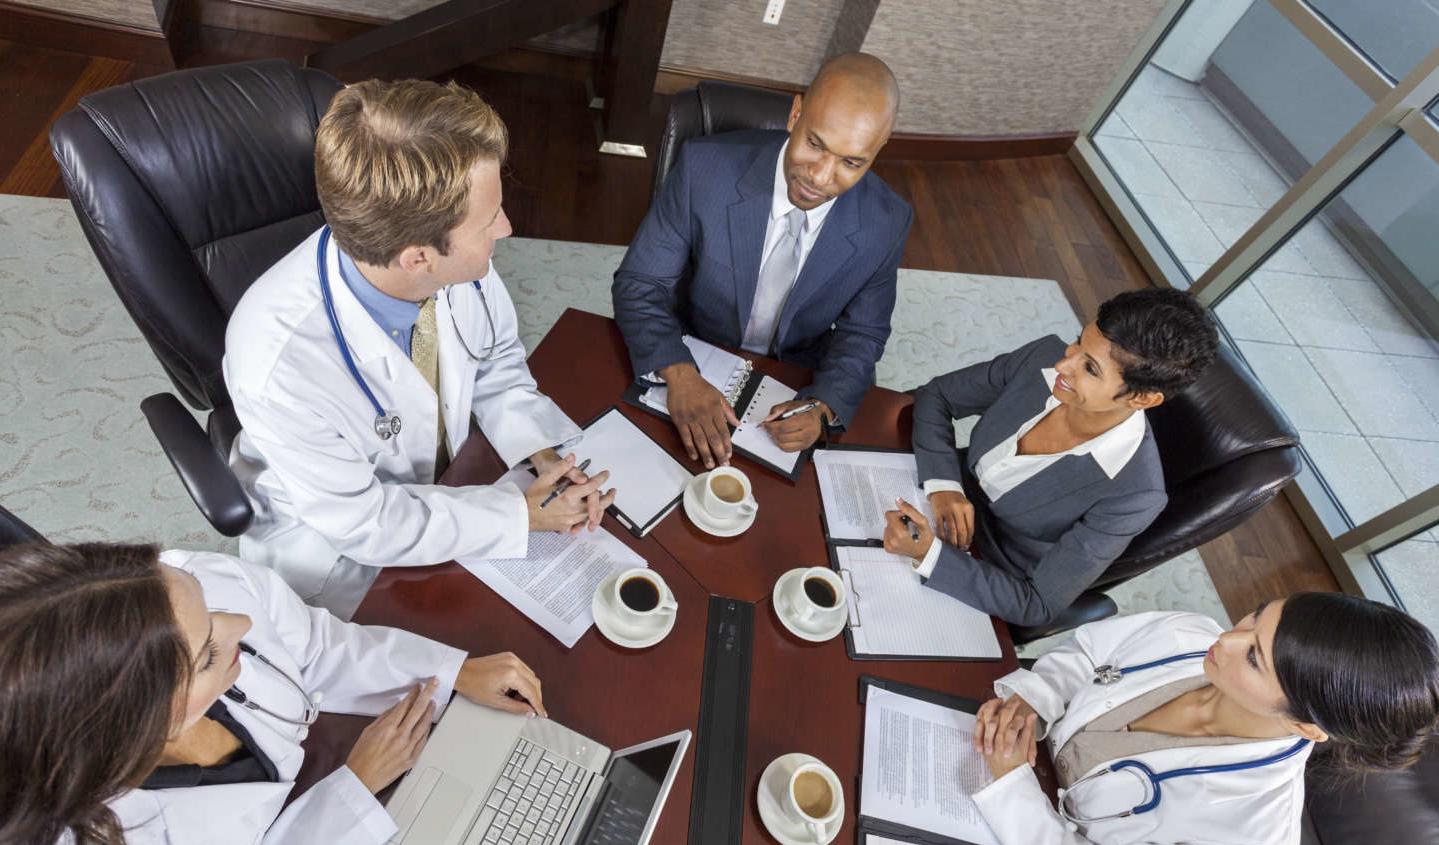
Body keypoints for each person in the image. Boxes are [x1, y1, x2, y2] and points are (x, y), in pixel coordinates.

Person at [224, 79, 615, 620]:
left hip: (448, 482)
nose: (506, 227)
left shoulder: (450, 261)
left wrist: (542, 453)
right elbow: (369, 524)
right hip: (340, 552)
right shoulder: (277, 362)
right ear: (417, 259)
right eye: (488, 223)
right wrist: (518, 516)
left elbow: (496, 360)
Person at [0, 542, 548, 844]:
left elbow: (315, 645)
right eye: (208, 653)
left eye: (209, 608)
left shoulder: (184, 578)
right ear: (138, 727)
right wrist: (352, 792)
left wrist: (450, 672)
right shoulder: (117, 834)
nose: (238, 622)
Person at [612, 52, 912, 468]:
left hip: (793, 373)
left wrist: (823, 406)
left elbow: (864, 332)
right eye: (815, 144)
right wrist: (680, 374)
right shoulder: (704, 168)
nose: (821, 178)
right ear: (795, 114)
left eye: (851, 162)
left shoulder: (888, 221)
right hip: (696, 346)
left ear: (879, 150)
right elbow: (640, 284)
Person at [966, 594, 1439, 844]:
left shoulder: (1251, 830)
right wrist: (1033, 699)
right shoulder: (1187, 633)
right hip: (991, 754)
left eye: (1255, 658)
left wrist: (1013, 790)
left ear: (1306, 727)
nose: (1226, 640)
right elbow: (1089, 652)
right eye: (1255, 617)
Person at [882, 288, 1218, 626]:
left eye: (1090, 368)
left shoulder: (1135, 495)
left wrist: (929, 554)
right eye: (1078, 343)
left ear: (1142, 399)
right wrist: (944, 486)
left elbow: (1037, 604)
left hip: (985, 570)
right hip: (934, 485)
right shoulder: (1043, 356)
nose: (1062, 363)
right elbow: (937, 395)